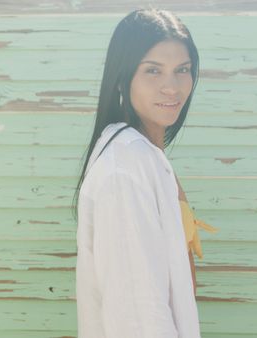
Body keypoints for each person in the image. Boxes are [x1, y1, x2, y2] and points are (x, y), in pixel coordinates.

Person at [73, 7, 217, 338]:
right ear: (123, 78)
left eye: (182, 69)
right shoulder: (124, 171)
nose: (172, 87)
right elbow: (137, 314)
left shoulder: (144, 155)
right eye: (153, 71)